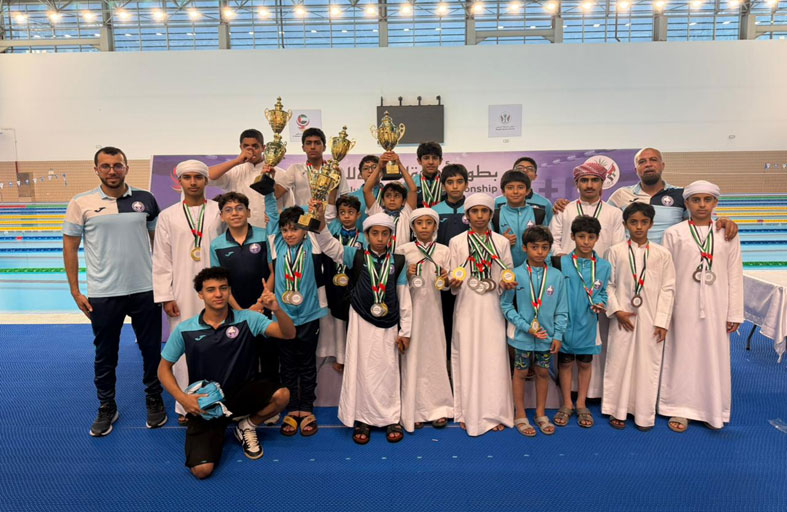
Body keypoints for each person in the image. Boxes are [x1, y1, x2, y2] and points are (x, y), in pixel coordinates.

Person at [63, 146, 166, 437]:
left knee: (150, 350)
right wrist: (75, 291)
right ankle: (107, 405)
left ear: (126, 168)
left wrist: (164, 283)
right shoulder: (81, 202)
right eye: (106, 166)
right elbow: (69, 247)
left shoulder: (146, 199)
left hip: (145, 288)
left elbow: (159, 244)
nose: (112, 171)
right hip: (104, 292)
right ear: (96, 169)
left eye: (117, 165)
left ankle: (154, 397)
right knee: (105, 353)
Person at [158, 267, 295, 479]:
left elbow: (288, 333)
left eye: (223, 288)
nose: (218, 294)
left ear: (230, 291)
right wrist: (182, 398)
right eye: (211, 289)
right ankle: (217, 428)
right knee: (202, 470)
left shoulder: (248, 319)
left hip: (242, 393)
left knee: (282, 395)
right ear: (200, 295)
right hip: (208, 403)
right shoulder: (186, 329)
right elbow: (163, 369)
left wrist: (277, 310)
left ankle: (247, 425)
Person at [313, 209, 412, 444]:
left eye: (384, 234)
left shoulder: (398, 261)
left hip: (389, 323)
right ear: (366, 235)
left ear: (391, 236)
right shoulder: (354, 256)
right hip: (360, 322)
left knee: (388, 370)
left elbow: (404, 297)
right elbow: (329, 246)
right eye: (375, 233)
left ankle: (390, 418)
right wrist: (320, 221)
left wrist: (406, 331)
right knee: (362, 369)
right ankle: (362, 418)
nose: (380, 238)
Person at [658, 180, 743, 432]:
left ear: (715, 202)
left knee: (712, 356)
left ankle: (711, 408)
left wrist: (734, 312)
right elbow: (666, 275)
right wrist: (665, 311)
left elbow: (735, 274)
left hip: (717, 305)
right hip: (682, 304)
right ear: (687, 203)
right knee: (681, 354)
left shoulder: (727, 234)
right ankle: (678, 407)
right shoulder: (674, 233)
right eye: (696, 200)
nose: (702, 205)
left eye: (707, 200)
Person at [153, 160, 224, 424]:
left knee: (218, 342)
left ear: (206, 180)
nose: (193, 182)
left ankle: (216, 399)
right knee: (183, 344)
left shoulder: (219, 211)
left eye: (198, 177)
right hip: (182, 291)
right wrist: (166, 296)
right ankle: (185, 404)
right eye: (187, 177)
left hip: (217, 290)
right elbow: (161, 258)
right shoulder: (168, 215)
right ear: (179, 181)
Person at [602, 203, 675, 431]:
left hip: (651, 318)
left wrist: (662, 321)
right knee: (619, 362)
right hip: (623, 316)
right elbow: (608, 285)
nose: (639, 227)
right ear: (625, 225)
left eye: (644, 222)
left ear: (651, 224)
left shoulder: (662, 254)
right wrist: (616, 310)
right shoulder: (615, 251)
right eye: (633, 222)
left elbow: (668, 289)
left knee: (647, 363)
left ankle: (643, 413)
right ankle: (617, 410)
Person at [448, 193, 515, 436]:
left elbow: (507, 271)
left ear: (491, 214)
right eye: (474, 211)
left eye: (484, 211)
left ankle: (495, 412)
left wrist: (507, 283)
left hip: (493, 305)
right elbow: (452, 276)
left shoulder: (501, 242)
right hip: (467, 305)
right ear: (467, 215)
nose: (479, 216)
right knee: (467, 356)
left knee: (493, 358)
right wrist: (452, 281)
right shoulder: (457, 242)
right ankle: (468, 412)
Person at [264, 187, 329, 437]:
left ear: (303, 230)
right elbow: (272, 215)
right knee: (288, 365)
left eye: (294, 229)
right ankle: (292, 409)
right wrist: (268, 190)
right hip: (283, 317)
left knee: (307, 364)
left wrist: (316, 207)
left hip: (310, 315)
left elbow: (314, 224)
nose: (289, 234)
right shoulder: (277, 245)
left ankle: (307, 408)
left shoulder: (312, 245)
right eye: (285, 230)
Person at [501, 226, 567, 436]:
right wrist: (525, 327)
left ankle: (540, 413)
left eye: (544, 247)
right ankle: (520, 414)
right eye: (534, 247)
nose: (539, 252)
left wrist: (558, 335)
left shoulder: (556, 276)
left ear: (550, 249)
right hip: (522, 337)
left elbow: (562, 309)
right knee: (520, 372)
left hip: (546, 337)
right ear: (524, 248)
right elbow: (506, 306)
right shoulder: (515, 274)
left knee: (542, 372)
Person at [210, 192, 279, 385]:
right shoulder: (217, 245)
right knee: (242, 361)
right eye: (228, 210)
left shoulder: (264, 236)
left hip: (265, 309)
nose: (235, 213)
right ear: (222, 216)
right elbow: (221, 284)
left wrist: (260, 303)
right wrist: (241, 312)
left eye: (239, 208)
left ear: (248, 212)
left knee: (270, 357)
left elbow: (274, 271)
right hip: (236, 312)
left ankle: (272, 398)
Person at [606, 148, 738, 244]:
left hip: (671, 260)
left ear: (662, 165)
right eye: (642, 162)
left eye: (653, 160)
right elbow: (606, 223)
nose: (648, 164)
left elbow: (701, 219)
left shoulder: (681, 194)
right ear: (636, 170)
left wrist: (722, 220)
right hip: (632, 261)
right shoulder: (621, 195)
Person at [398, 208, 454, 432]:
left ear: (435, 227)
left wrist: (446, 278)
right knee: (412, 359)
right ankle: (414, 409)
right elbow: (393, 283)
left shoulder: (443, 251)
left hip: (434, 313)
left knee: (435, 357)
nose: (423, 227)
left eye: (428, 223)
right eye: (419, 223)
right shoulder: (404, 250)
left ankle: (439, 408)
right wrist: (406, 274)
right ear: (412, 227)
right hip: (411, 313)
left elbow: (449, 285)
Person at [554, 216, 611, 430]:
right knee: (565, 362)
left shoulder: (604, 266)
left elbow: (604, 291)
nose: (586, 242)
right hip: (565, 322)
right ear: (572, 236)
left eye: (591, 237)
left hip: (588, 322)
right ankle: (566, 403)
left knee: (585, 363)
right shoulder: (561, 263)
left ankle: (581, 404)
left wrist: (601, 302)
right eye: (581, 236)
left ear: (597, 238)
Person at [318, 194, 365, 371]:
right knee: (338, 321)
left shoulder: (364, 239)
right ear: (337, 215)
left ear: (358, 215)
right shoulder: (332, 236)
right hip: (334, 283)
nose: (346, 216)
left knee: (355, 321)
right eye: (342, 212)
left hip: (356, 285)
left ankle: (356, 358)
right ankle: (341, 357)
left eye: (351, 212)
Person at [208, 129, 284, 228]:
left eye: (255, 146)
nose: (251, 151)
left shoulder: (279, 173)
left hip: (271, 230)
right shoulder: (234, 171)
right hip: (239, 230)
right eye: (246, 147)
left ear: (263, 148)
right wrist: (236, 161)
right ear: (241, 147)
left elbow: (287, 205)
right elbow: (208, 176)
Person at [550, 162, 626, 258]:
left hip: (601, 266)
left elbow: (618, 247)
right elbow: (552, 240)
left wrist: (605, 265)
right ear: (577, 184)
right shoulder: (563, 209)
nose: (589, 185)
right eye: (584, 180)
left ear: (602, 183)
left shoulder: (615, 213)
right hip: (568, 266)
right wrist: (560, 256)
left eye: (595, 180)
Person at [432, 164, 470, 356]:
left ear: (466, 184)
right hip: (443, 274)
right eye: (450, 182)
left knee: (466, 320)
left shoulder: (474, 209)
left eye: (459, 182)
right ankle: (446, 360)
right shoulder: (435, 211)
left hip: (469, 275)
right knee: (444, 317)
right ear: (443, 185)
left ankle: (465, 359)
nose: (455, 186)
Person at [276, 127, 350, 208]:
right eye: (308, 143)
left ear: (324, 147)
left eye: (317, 143)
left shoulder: (336, 170)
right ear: (303, 148)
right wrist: (268, 176)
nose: (312, 147)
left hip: (329, 215)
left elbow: (344, 198)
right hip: (303, 215)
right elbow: (277, 193)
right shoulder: (295, 169)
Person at [363, 151, 418, 254]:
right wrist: (379, 167)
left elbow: (413, 189)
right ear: (383, 201)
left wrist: (399, 164)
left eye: (397, 196)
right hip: (381, 258)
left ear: (403, 201)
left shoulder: (407, 213)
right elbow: (366, 190)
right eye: (388, 196)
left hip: (403, 258)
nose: (392, 199)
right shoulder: (378, 212)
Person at [492, 170, 546, 268]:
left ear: (528, 191)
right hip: (504, 270)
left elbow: (547, 244)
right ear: (503, 192)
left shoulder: (538, 214)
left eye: (520, 187)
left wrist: (546, 269)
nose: (515, 192)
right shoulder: (495, 215)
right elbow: (488, 246)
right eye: (510, 188)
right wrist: (502, 241)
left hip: (534, 270)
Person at [495, 156, 553, 225]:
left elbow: (548, 227)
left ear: (535, 176)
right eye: (520, 168)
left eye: (530, 169)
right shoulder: (497, 202)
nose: (525, 170)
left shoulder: (545, 203)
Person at [348, 155, 381, 229]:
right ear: (360, 175)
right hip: (359, 235)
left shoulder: (388, 195)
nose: (370, 171)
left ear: (381, 172)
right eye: (366, 168)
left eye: (374, 167)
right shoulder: (351, 197)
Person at [412, 142, 446, 208]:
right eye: (426, 158)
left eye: (435, 158)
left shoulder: (447, 181)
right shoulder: (412, 182)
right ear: (419, 161)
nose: (431, 162)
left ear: (440, 161)